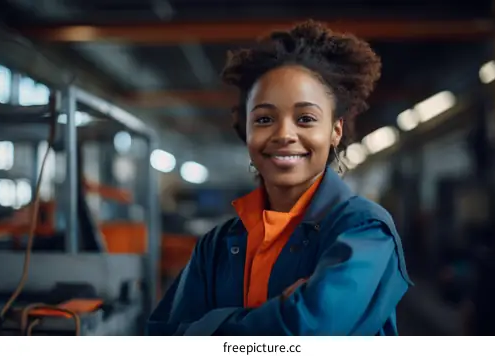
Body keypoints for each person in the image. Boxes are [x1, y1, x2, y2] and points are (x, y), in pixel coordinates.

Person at [147, 20, 412, 336]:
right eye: (264, 118)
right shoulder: (217, 246)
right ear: (246, 130)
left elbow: (307, 334)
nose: (284, 134)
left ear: (335, 130)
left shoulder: (365, 231)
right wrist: (277, 314)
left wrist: (209, 326)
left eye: (305, 119)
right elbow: (163, 337)